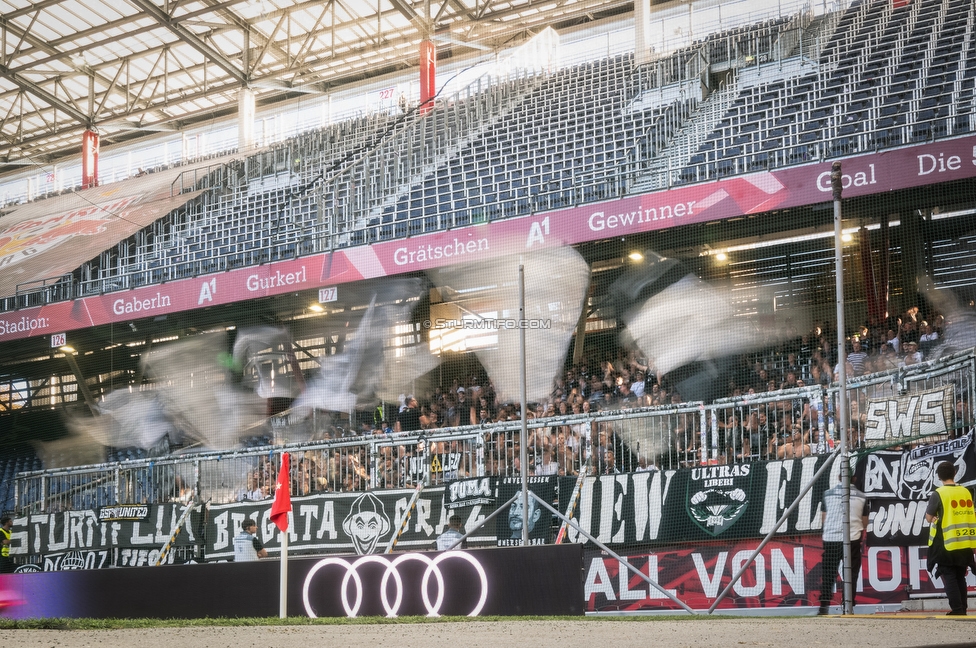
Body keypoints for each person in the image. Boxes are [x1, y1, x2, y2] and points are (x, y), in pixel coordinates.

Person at [925, 461, 976, 616]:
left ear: (939, 477)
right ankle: (963, 609)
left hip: (947, 542)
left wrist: (934, 517)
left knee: (949, 577)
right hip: (964, 542)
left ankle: (957, 609)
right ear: (955, 473)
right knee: (960, 576)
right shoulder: (966, 492)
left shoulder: (938, 493)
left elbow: (928, 517)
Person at [818, 475, 868, 615]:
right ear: (854, 478)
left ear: (839, 477)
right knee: (851, 574)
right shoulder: (862, 496)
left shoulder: (827, 494)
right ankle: (848, 606)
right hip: (852, 538)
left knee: (828, 574)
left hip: (831, 539)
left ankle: (824, 607)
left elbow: (824, 519)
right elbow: (864, 522)